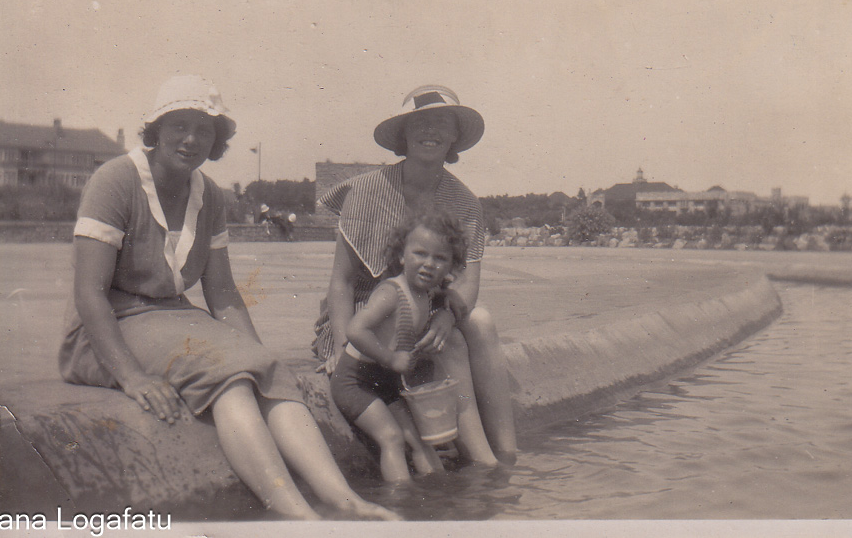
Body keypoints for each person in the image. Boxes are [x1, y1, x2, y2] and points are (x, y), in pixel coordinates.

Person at [58, 75, 399, 521]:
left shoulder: (210, 195)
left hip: (172, 319)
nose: (191, 139)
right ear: (156, 129)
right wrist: (131, 377)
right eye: (179, 124)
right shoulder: (115, 181)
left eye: (205, 130)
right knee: (231, 379)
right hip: (105, 329)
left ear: (217, 140)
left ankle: (344, 500)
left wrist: (259, 355)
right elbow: (89, 293)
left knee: (267, 371)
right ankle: (299, 516)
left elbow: (221, 292)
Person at [313, 85, 517, 464]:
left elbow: (467, 283)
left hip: (422, 305)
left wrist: (445, 315)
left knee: (480, 322)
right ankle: (483, 458)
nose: (431, 131)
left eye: (442, 123)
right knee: (453, 345)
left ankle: (503, 452)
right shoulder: (366, 191)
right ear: (403, 134)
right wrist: (342, 347)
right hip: (366, 310)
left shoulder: (465, 202)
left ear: (455, 136)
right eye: (420, 123)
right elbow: (340, 282)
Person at [331, 211, 476, 481]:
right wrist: (389, 358)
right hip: (356, 382)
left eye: (440, 258)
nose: (429, 264)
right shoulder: (391, 293)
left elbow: (440, 297)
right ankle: (401, 501)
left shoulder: (429, 293)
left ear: (451, 267)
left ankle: (436, 497)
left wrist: (449, 297)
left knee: (422, 441)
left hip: (386, 384)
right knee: (393, 438)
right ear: (401, 256)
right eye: (420, 254)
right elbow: (354, 329)